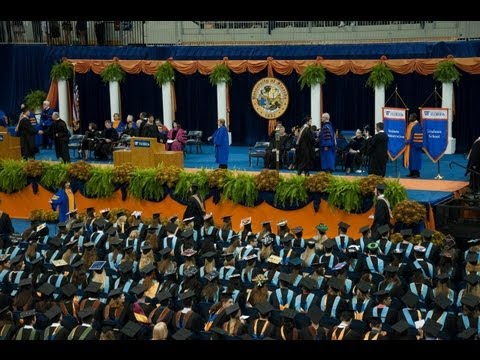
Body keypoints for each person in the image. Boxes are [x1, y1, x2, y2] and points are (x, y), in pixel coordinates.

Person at [404, 113, 423, 178]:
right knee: (411, 159)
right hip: (410, 146)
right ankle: (411, 172)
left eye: (410, 117)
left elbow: (415, 137)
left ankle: (416, 173)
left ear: (414, 118)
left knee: (415, 159)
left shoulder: (417, 126)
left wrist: (408, 141)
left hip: (415, 146)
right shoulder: (411, 125)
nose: (409, 118)